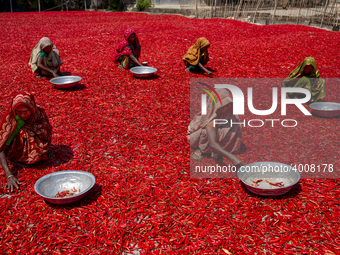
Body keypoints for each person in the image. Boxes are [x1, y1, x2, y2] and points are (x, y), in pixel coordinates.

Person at [0, 93, 52, 191]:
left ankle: (42, 152)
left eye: (25, 111)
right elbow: (1, 149)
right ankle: (22, 158)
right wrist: (9, 175)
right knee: (25, 131)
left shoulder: (38, 113)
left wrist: (47, 148)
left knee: (43, 127)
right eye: (18, 111)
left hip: (36, 143)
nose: (22, 115)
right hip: (16, 149)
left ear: (31, 108)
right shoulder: (14, 122)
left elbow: (47, 130)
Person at [187, 88, 244, 168]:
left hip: (216, 132)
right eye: (222, 106)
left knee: (236, 125)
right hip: (203, 137)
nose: (226, 108)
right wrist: (232, 158)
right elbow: (212, 143)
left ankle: (220, 150)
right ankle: (201, 149)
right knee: (206, 133)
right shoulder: (211, 118)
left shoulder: (228, 112)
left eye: (228, 105)